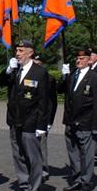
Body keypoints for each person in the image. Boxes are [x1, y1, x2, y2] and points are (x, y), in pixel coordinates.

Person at [0, 39, 49, 191]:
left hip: (31, 122)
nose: (17, 54)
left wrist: (42, 125)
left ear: (30, 52)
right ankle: (25, 187)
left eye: (20, 50)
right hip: (15, 121)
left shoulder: (39, 72)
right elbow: (0, 82)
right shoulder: (15, 71)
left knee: (33, 158)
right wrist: (8, 69)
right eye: (16, 50)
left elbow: (44, 101)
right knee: (18, 156)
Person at [59, 49, 97, 191]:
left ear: (89, 60)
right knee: (73, 153)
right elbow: (60, 90)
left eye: (82, 58)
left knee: (87, 154)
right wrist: (64, 76)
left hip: (86, 122)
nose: (78, 61)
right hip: (71, 121)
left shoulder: (95, 78)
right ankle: (77, 178)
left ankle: (86, 181)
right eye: (77, 58)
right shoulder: (72, 75)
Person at [32, 54, 57, 182]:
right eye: (34, 62)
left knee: (41, 146)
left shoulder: (49, 78)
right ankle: (33, 170)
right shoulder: (28, 76)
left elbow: (52, 102)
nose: (36, 64)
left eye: (38, 63)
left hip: (43, 118)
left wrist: (49, 120)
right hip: (30, 117)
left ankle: (43, 171)